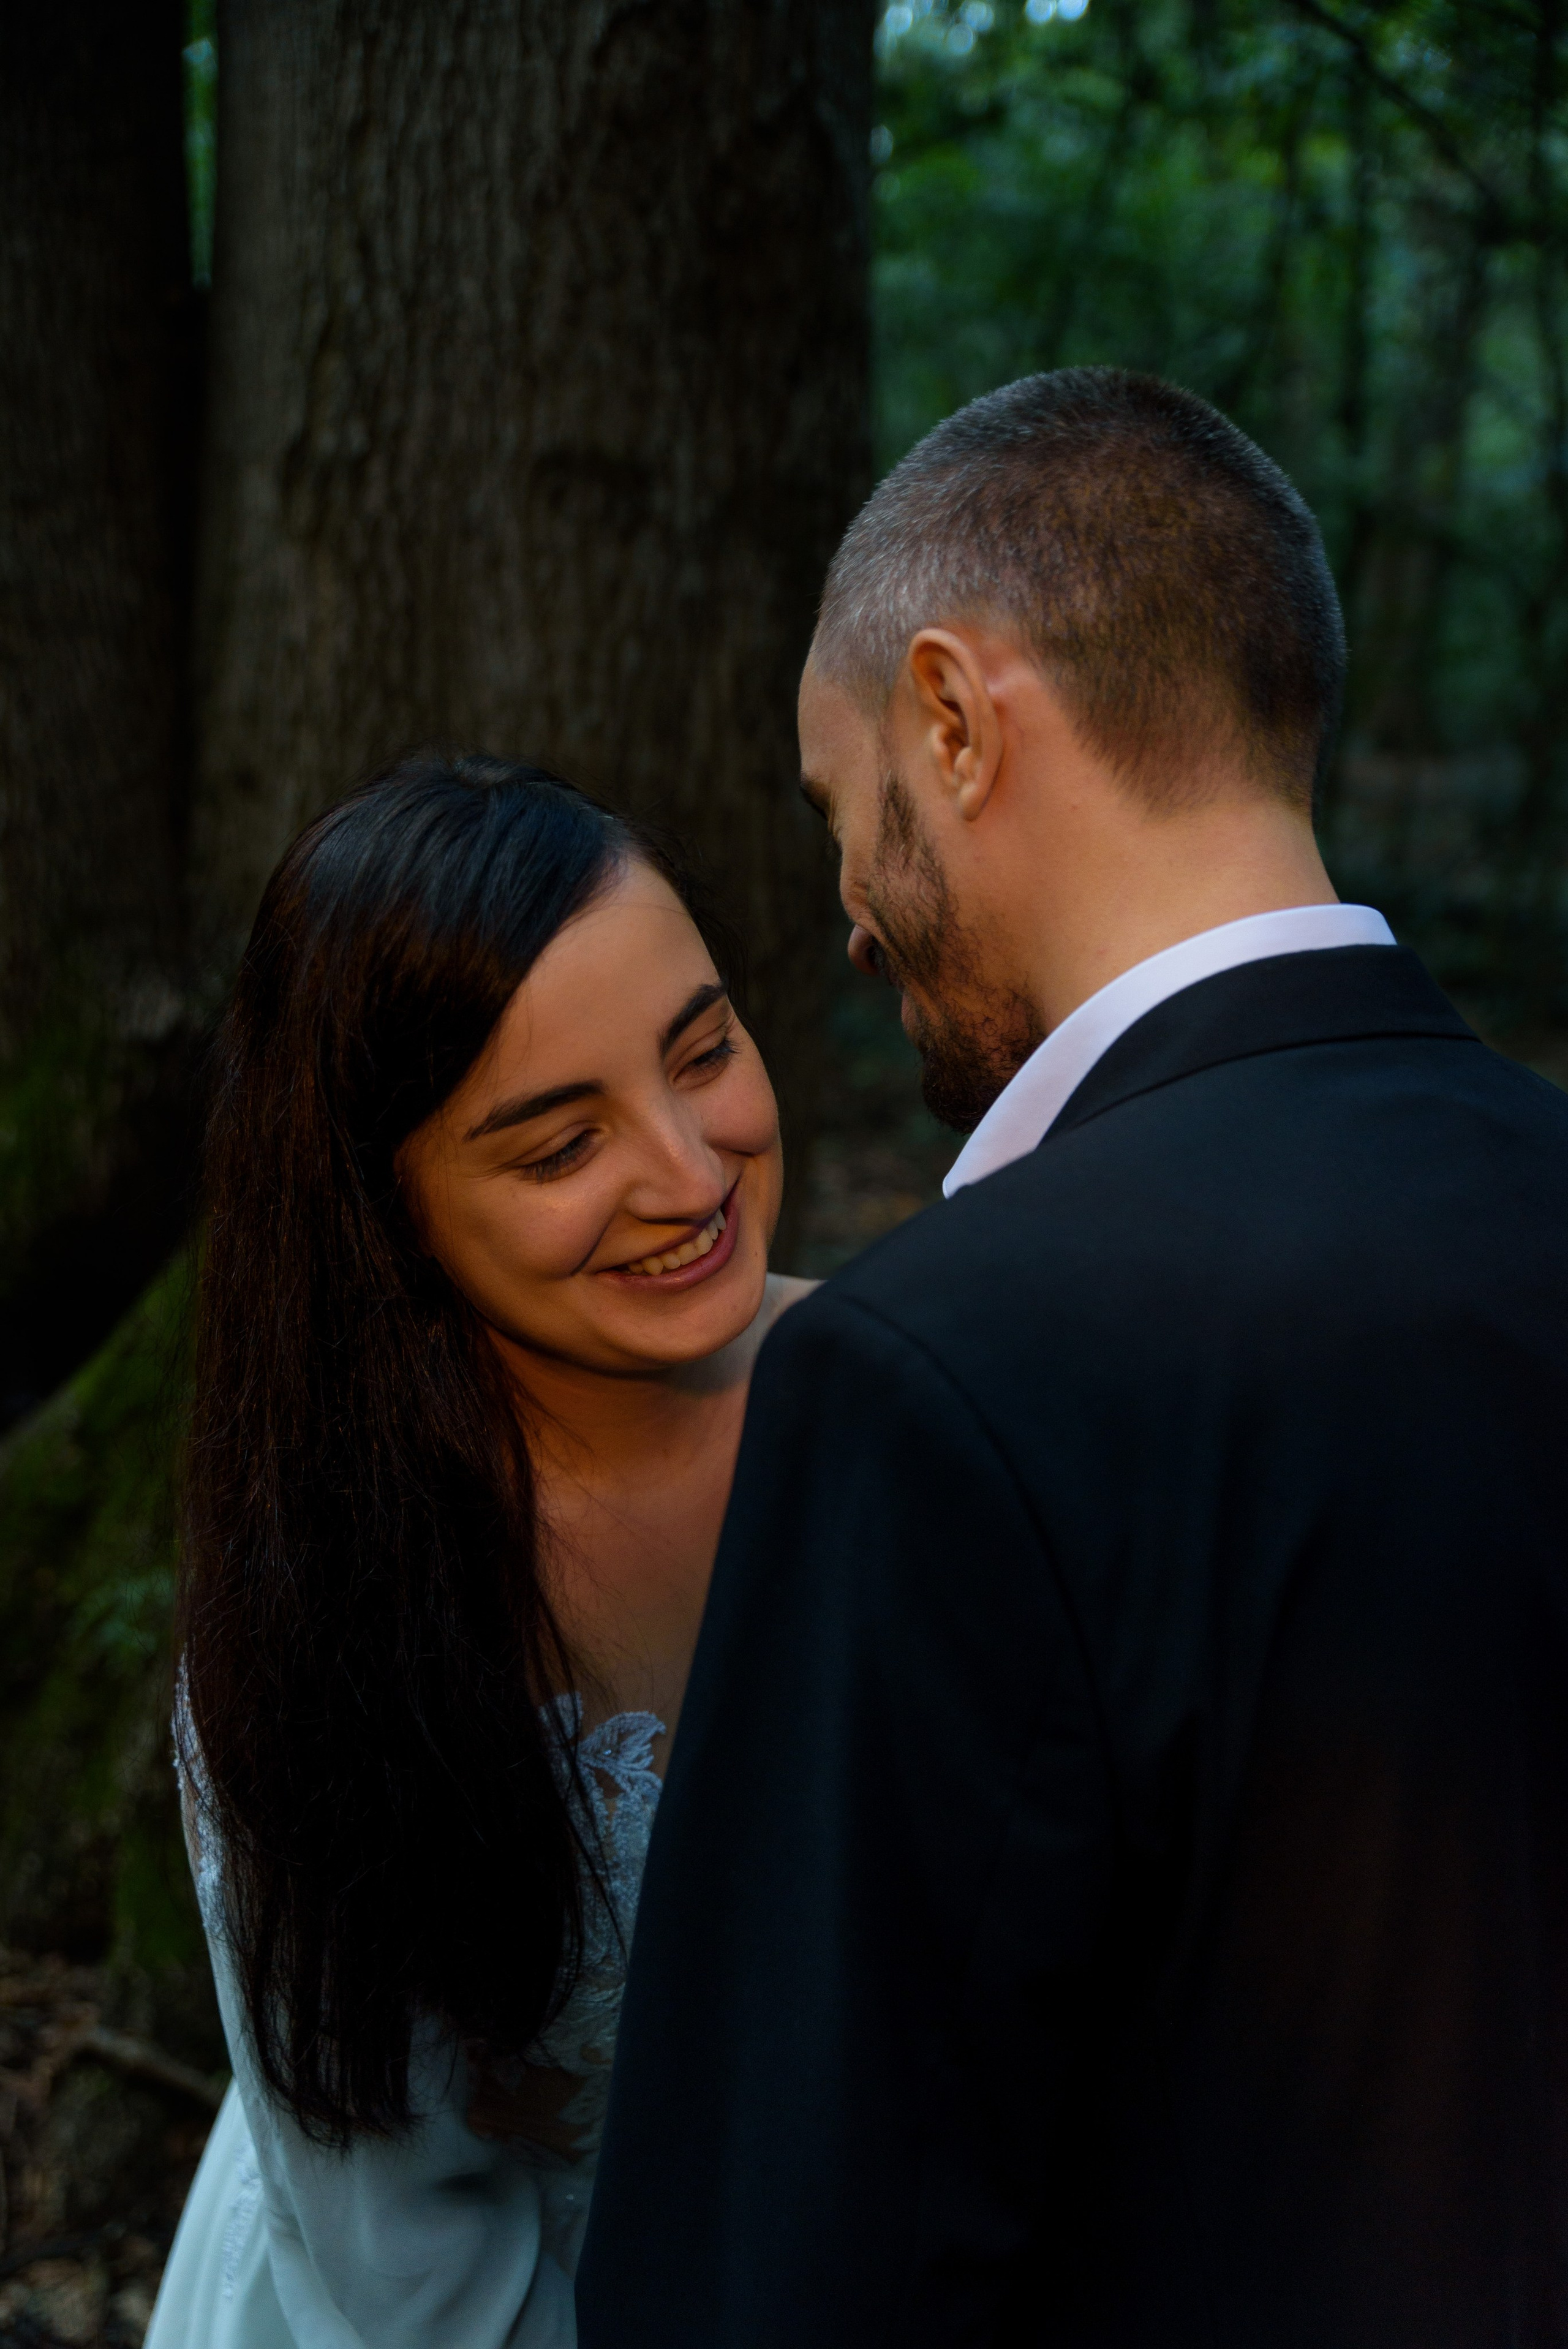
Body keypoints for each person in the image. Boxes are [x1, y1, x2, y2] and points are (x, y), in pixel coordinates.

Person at [576, 368, 1568, 2346]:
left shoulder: (933, 1370)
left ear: (951, 720)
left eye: (839, 805)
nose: (851, 913)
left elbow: (780, 2250)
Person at [145, 754, 811, 2349]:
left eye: (702, 1048)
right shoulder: (329, 1609)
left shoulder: (916, 1422)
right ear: (390, 1212)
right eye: (556, 1145)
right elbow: (412, 2268)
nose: (689, 1169)